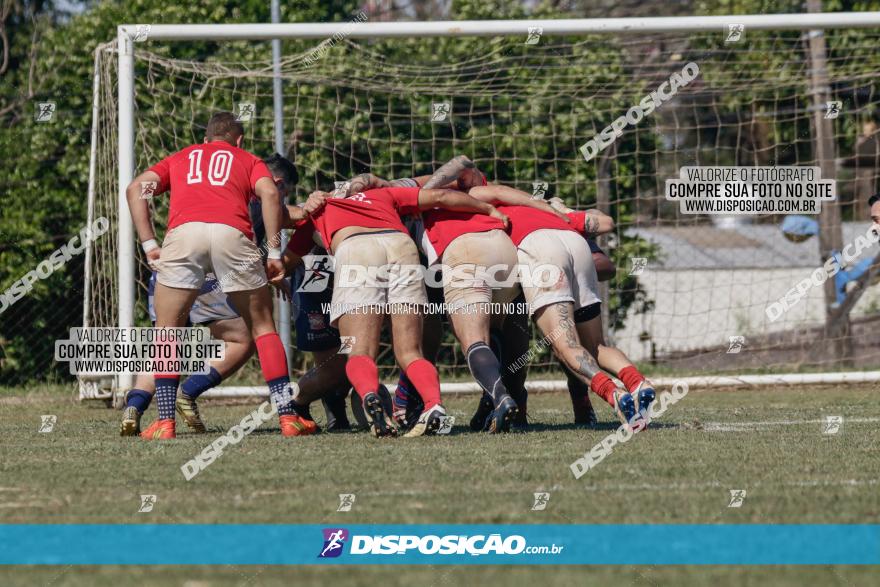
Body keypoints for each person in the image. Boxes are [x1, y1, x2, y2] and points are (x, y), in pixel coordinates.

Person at [125, 112, 323, 439]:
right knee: (262, 328)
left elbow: (136, 190)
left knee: (167, 331)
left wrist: (149, 245)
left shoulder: (181, 157)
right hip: (232, 233)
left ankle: (164, 422)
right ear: (239, 140)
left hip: (184, 234)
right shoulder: (248, 159)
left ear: (205, 139)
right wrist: (274, 253)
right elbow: (271, 195)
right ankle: (288, 418)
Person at [276, 183, 508, 437]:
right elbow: (441, 195)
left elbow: (283, 259)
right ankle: (433, 404)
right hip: (400, 246)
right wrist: (487, 208)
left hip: (356, 250)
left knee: (359, 353)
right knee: (410, 352)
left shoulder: (321, 208)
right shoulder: (383, 194)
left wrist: (273, 272)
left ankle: (370, 397)